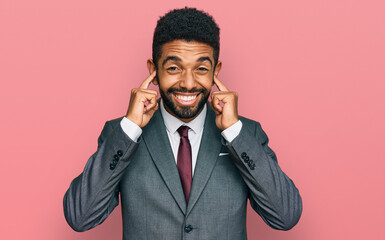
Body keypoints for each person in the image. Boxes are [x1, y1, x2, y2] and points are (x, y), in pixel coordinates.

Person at [63, 7, 302, 239]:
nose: (188, 83)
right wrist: (130, 128)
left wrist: (234, 132)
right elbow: (80, 217)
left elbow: (285, 216)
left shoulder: (247, 134)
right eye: (174, 68)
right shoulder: (121, 134)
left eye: (201, 69)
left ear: (215, 71)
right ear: (154, 70)